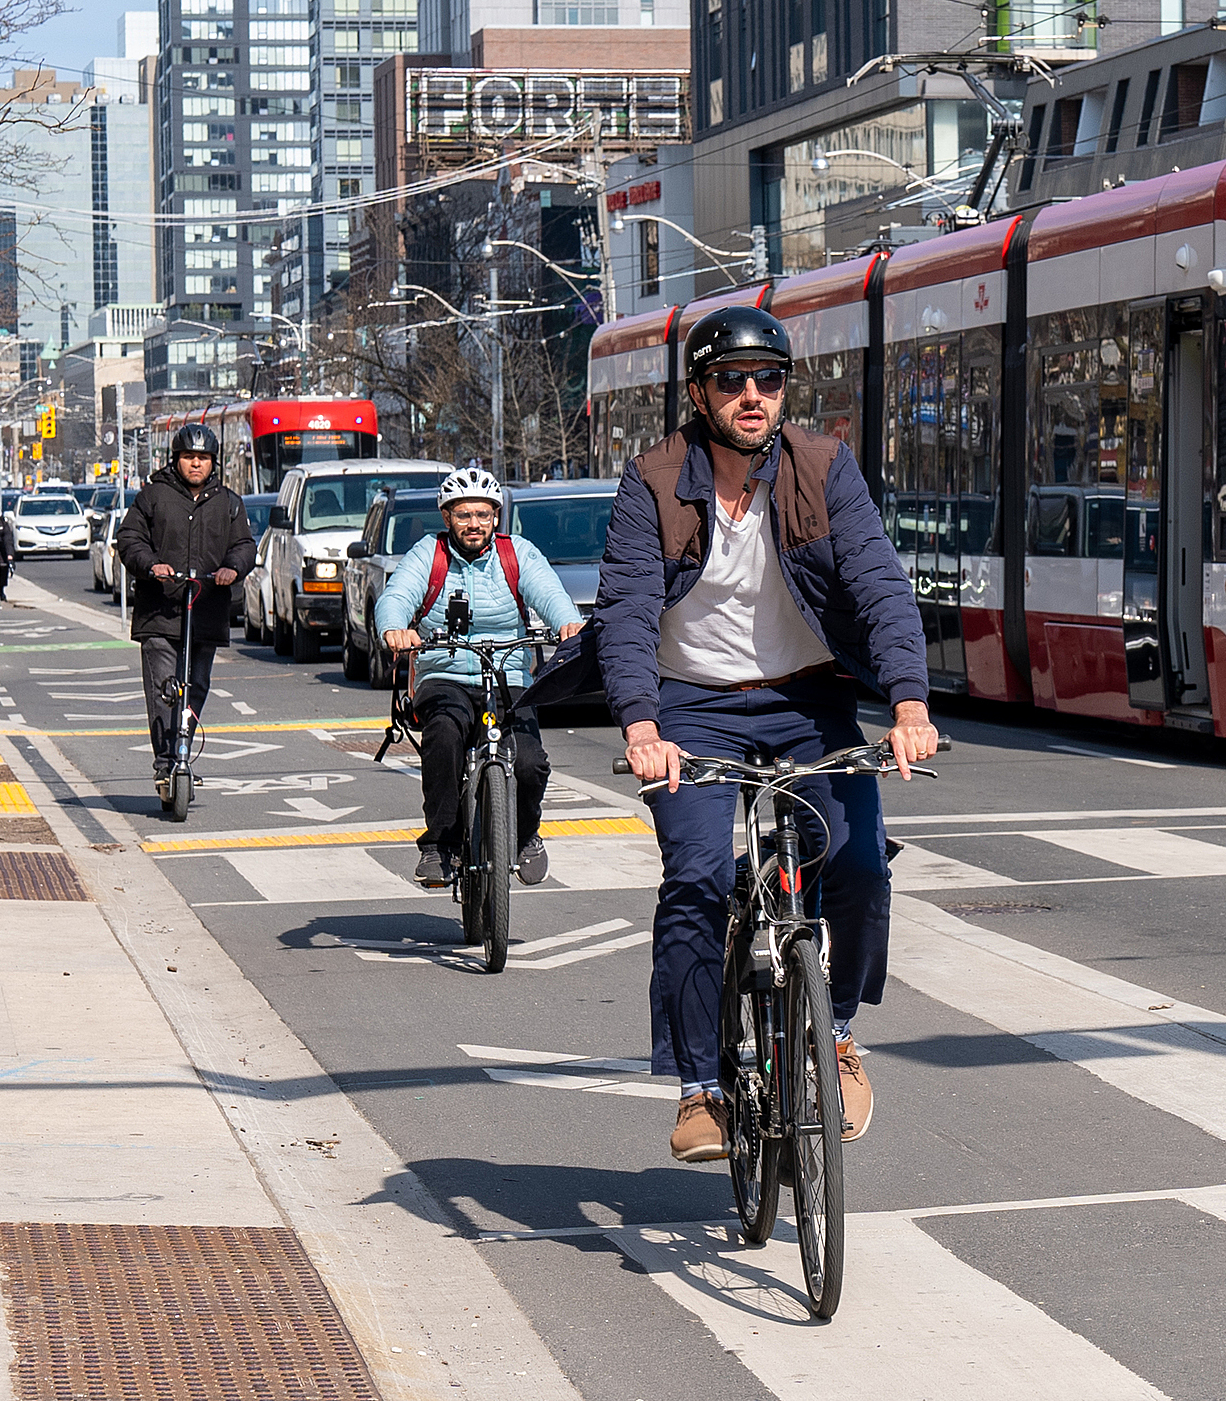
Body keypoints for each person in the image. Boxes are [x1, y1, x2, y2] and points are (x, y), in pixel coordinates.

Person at [587, 305, 935, 1166]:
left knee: (858, 865)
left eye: (769, 379)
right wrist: (640, 724)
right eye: (733, 380)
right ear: (700, 392)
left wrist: (909, 704)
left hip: (807, 699)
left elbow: (879, 585)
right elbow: (627, 611)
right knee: (699, 877)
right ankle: (699, 1086)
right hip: (691, 706)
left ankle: (840, 1032)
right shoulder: (655, 480)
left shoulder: (824, 468)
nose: (753, 395)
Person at [376, 466, 584, 890]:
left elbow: (550, 593)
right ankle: (440, 845)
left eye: (484, 515)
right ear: (447, 517)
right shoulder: (427, 555)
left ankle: (525, 834)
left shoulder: (516, 553)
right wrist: (395, 628)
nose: (474, 524)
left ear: (496, 516)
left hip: (506, 673)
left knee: (529, 762)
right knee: (444, 739)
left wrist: (568, 624)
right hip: (445, 674)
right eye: (464, 515)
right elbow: (397, 596)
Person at [116, 424, 257, 798]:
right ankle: (166, 764)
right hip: (160, 611)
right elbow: (129, 538)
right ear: (176, 459)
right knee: (165, 688)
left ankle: (182, 751)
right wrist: (150, 565)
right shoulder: (153, 496)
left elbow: (245, 544)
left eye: (203, 458)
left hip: (206, 608)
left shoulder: (229, 503)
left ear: (214, 462)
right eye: (189, 457)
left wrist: (232, 567)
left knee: (196, 686)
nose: (196, 464)